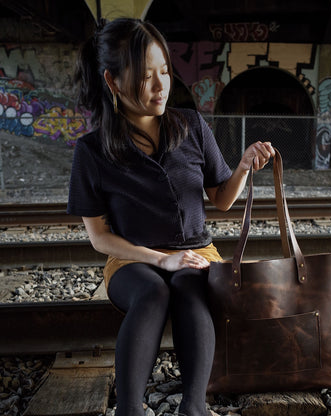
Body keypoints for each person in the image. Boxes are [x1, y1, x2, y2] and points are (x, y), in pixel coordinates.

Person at [68, 17, 274, 416]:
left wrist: (244, 165)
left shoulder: (192, 126)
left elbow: (221, 200)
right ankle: (129, 409)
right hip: (131, 259)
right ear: (112, 81)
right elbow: (99, 237)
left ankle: (192, 408)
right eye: (146, 77)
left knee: (189, 286)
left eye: (164, 71)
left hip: (197, 252)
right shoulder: (92, 150)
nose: (162, 86)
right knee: (153, 291)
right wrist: (160, 258)